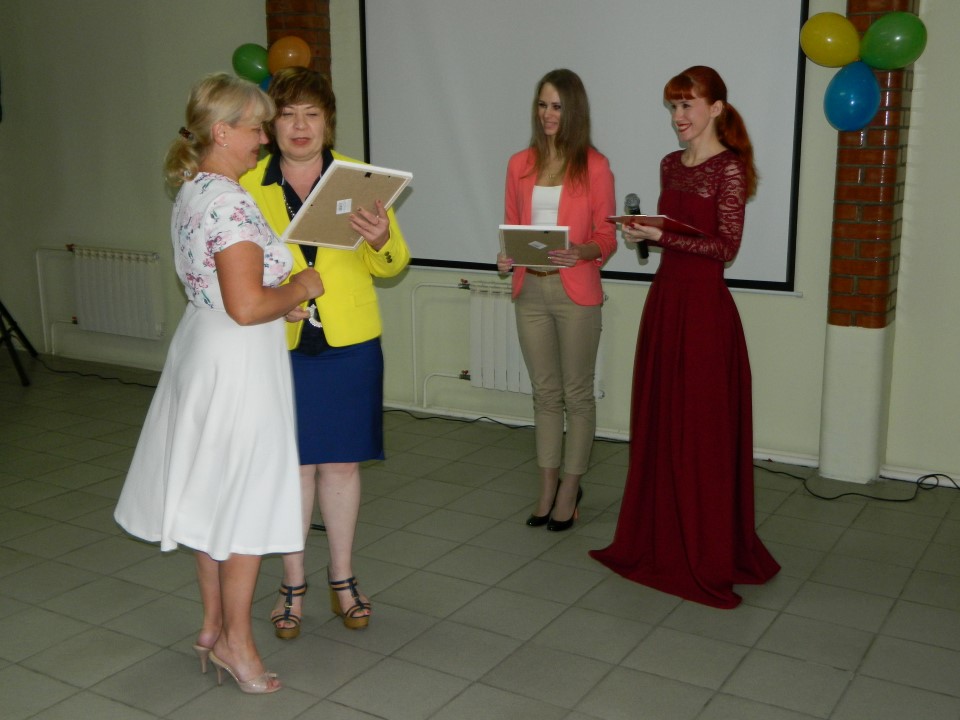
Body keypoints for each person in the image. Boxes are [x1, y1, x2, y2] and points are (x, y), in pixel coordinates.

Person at [114, 73, 324, 693]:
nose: (265, 138)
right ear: (222, 132)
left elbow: (228, 291)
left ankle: (212, 626)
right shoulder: (230, 201)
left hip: (205, 348)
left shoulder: (194, 188)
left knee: (213, 500)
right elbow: (246, 306)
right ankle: (238, 642)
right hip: (237, 365)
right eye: (256, 128)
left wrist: (277, 301)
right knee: (244, 506)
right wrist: (300, 286)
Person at [589, 66, 780, 608]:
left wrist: (663, 235)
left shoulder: (730, 168)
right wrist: (643, 235)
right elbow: (671, 237)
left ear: (716, 108)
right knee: (661, 425)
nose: (678, 116)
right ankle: (658, 539)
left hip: (704, 312)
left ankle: (705, 549)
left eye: (687, 105)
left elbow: (725, 249)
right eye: (673, 107)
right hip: (666, 302)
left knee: (699, 433)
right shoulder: (670, 164)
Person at [240, 67, 409, 637]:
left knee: (339, 465)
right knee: (292, 467)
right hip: (278, 341)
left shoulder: (358, 179)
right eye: (288, 114)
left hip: (349, 343)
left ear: (328, 121)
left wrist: (381, 238)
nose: (300, 125)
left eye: (311, 114)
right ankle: (292, 583)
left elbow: (393, 264)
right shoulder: (248, 183)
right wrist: (275, 300)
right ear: (272, 125)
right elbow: (235, 267)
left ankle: (342, 577)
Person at [497, 69, 616, 532]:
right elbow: (512, 227)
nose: (548, 114)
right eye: (543, 105)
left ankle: (570, 488)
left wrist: (581, 251)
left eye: (558, 106)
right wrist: (506, 257)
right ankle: (546, 488)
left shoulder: (595, 166)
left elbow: (607, 236)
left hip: (576, 291)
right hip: (530, 289)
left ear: (574, 111)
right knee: (545, 395)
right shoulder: (518, 164)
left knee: (577, 395)